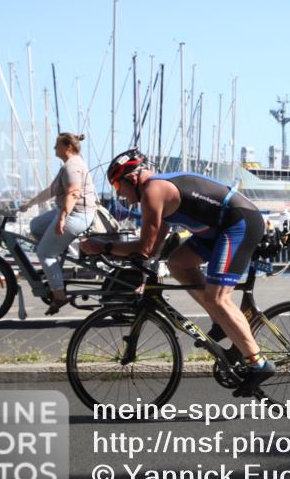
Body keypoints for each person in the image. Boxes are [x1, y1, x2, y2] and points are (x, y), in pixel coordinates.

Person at [80, 150, 273, 395]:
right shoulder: (157, 193)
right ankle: (222, 322)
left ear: (132, 178)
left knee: (218, 298)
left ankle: (259, 364)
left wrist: (103, 246)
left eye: (118, 184)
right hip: (215, 230)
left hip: (238, 223)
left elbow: (145, 247)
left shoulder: (153, 191)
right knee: (177, 263)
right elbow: (154, 249)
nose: (118, 192)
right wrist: (138, 266)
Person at [20, 133, 97, 314]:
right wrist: (30, 203)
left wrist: (62, 218)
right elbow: (52, 191)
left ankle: (59, 295)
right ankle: (56, 260)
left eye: (57, 145)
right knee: (36, 226)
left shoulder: (73, 166)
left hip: (76, 215)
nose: (54, 149)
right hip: (67, 211)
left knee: (44, 253)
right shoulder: (68, 166)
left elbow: (73, 192)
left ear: (67, 147)